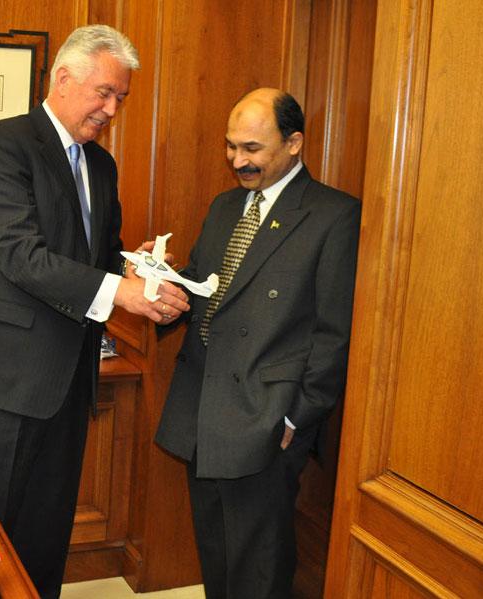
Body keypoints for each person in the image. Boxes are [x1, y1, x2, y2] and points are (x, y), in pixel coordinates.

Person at [0, 25, 188, 599]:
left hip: (70, 381)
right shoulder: (5, 143)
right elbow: (19, 255)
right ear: (63, 78)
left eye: (121, 98)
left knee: (46, 537)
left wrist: (136, 269)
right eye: (104, 92)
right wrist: (117, 292)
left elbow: (95, 259)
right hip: (3, 380)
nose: (111, 108)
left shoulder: (101, 166)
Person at [155, 88, 361, 598]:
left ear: (294, 143)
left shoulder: (333, 215)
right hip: (202, 407)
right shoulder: (225, 206)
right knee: (218, 555)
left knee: (259, 566)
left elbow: (334, 333)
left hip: (267, 417)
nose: (237, 161)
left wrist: (297, 417)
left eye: (252, 148)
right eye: (231, 147)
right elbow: (207, 286)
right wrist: (159, 281)